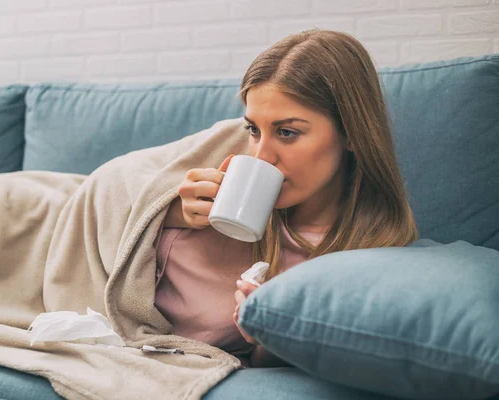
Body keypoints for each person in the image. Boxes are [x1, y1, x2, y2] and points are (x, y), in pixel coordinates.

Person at [154, 29, 418, 367]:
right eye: (253, 130)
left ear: (351, 134)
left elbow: (268, 366)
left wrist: (268, 334)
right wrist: (169, 210)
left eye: (287, 133)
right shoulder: (221, 180)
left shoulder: (362, 259)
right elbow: (115, 194)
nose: (261, 156)